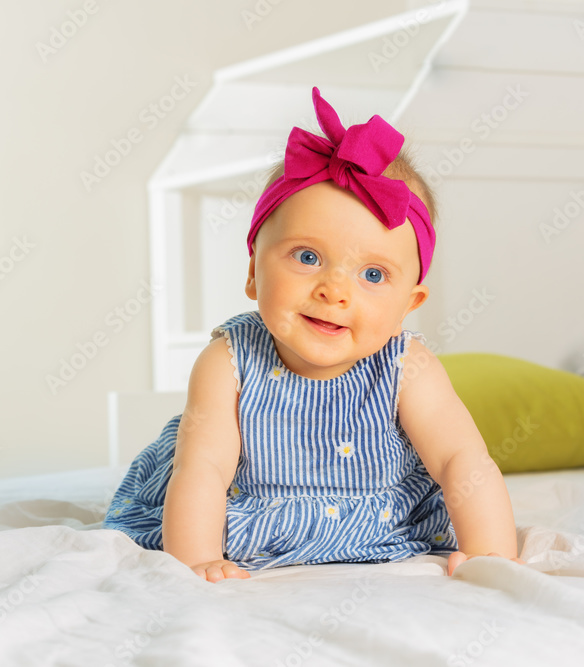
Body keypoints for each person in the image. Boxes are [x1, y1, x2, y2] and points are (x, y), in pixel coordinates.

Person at [104, 87, 523, 582]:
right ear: (254, 274)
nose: (334, 291)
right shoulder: (228, 360)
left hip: (377, 512)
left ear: (409, 305)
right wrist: (195, 562)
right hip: (243, 507)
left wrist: (492, 554)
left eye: (373, 275)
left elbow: (461, 460)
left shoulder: (408, 366)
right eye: (307, 257)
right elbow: (204, 469)